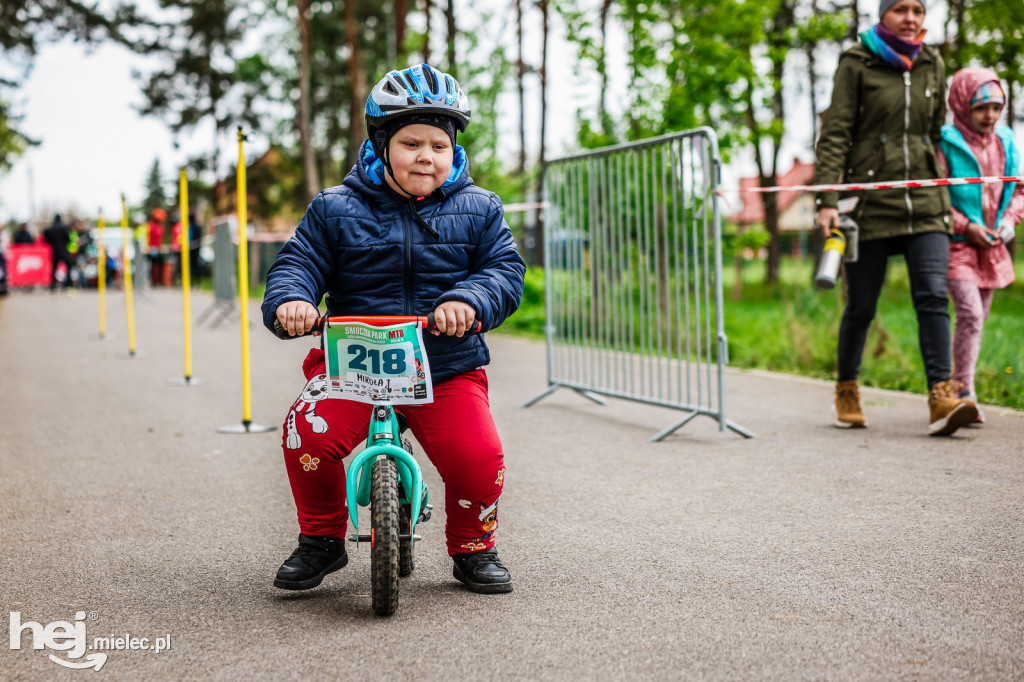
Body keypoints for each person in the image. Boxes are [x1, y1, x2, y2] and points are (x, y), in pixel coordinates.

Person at [261, 64, 526, 594]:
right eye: (410, 143)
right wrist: (291, 300)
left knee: (478, 455)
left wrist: (469, 299)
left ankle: (475, 545)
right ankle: (321, 539)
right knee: (304, 435)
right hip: (353, 367)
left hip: (444, 366)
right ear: (381, 144)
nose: (426, 156)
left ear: (454, 152)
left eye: (438, 145)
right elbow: (299, 263)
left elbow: (504, 270)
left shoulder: (479, 208)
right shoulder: (335, 208)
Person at [813, 0, 978, 436]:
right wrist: (828, 198)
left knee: (932, 298)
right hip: (869, 205)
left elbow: (936, 128)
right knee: (861, 306)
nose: (911, 18)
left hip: (924, 201)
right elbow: (836, 133)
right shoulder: (857, 62)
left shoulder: (931, 61)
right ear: (883, 14)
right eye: (901, 9)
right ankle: (847, 387)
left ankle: (942, 395)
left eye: (918, 10)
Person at [939, 69, 1022, 424]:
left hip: (992, 246)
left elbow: (1018, 188)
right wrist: (965, 225)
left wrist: (1008, 223)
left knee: (977, 319)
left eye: (996, 108)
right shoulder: (945, 141)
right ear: (962, 104)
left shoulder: (1005, 140)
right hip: (957, 245)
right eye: (981, 108)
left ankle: (959, 388)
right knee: (970, 314)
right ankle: (963, 391)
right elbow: (937, 194)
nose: (989, 116)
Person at [42, 214, 73, 292]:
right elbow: (68, 239)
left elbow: (46, 240)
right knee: (68, 266)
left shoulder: (50, 229)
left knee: (54, 268)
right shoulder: (64, 228)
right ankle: (68, 284)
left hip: (54, 251)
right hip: (64, 250)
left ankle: (53, 286)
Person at [147, 208, 166, 287]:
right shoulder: (151, 226)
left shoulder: (160, 226)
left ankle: (158, 281)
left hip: (158, 249)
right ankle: (153, 281)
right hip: (152, 249)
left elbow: (160, 238)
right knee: (153, 265)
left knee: (159, 264)